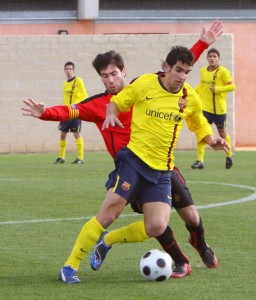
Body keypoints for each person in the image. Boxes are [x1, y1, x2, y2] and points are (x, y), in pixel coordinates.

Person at [22, 21, 225, 283]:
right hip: (131, 162)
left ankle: (122, 241)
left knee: (165, 223)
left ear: (123, 72)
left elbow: (180, 68)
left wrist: (203, 44)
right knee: (111, 211)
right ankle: (71, 266)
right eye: (104, 76)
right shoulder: (112, 98)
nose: (110, 80)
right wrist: (47, 113)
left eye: (113, 74)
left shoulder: (159, 87)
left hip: (163, 167)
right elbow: (72, 110)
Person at [191, 48, 236, 170]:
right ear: (207, 58)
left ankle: (229, 155)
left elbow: (232, 86)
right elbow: (202, 86)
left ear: (218, 58)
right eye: (210, 56)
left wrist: (217, 89)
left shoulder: (223, 72)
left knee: (222, 133)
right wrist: (192, 93)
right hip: (205, 108)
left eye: (214, 56)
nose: (212, 58)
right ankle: (199, 160)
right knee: (202, 132)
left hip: (219, 109)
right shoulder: (203, 71)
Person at [54, 61, 88, 164]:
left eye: (70, 69)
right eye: (66, 69)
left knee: (76, 133)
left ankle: (80, 158)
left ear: (73, 70)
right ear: (64, 70)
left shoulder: (78, 81)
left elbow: (84, 96)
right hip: (66, 112)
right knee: (63, 134)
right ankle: (61, 157)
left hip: (75, 111)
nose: (68, 71)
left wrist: (76, 106)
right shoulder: (65, 83)